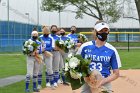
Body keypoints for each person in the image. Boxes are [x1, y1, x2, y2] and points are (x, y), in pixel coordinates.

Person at [77, 20, 121, 93]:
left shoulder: (112, 50)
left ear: (108, 32)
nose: (103, 32)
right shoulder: (85, 46)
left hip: (104, 82)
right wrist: (85, 77)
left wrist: (102, 81)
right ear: (96, 32)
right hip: (88, 82)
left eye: (105, 30)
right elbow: (77, 65)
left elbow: (116, 73)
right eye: (101, 30)